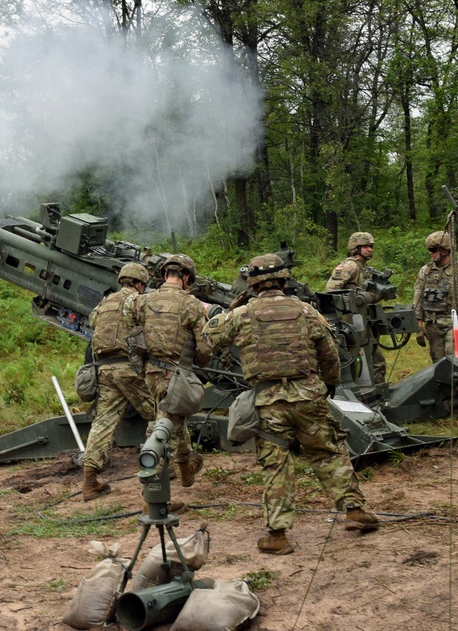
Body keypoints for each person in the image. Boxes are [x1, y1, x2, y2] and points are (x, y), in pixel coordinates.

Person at [203, 253, 378, 555]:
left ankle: (278, 534)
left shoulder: (242, 314)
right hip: (308, 395)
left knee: (276, 465)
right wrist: (330, 383)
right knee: (328, 452)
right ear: (285, 281)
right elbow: (329, 352)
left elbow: (209, 339)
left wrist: (233, 307)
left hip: (269, 401)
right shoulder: (306, 311)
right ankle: (354, 510)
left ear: (252, 284)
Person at [134, 253, 212, 488]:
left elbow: (136, 331)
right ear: (186, 277)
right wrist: (200, 362)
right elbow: (205, 348)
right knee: (162, 429)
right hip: (175, 374)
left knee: (174, 419)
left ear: (165, 274)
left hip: (150, 372)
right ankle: (152, 491)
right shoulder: (191, 304)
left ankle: (186, 468)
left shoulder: (145, 300)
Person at [82, 262, 157, 501]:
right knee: (159, 414)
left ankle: (90, 481)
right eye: (143, 285)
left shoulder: (104, 303)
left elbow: (93, 322)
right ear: (138, 283)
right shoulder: (135, 301)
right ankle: (158, 471)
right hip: (129, 368)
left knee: (103, 423)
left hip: (104, 370)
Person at [326, 231, 386, 385]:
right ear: (355, 248)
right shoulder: (349, 266)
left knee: (377, 360)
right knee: (361, 359)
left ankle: (377, 391)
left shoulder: (364, 268)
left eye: (371, 246)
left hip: (364, 321)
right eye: (365, 246)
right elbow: (331, 290)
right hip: (351, 322)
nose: (370, 249)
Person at [413, 231, 458, 363]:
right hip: (433, 325)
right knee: (438, 364)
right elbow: (418, 298)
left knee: (456, 362)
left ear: (445, 250)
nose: (431, 253)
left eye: (433, 249)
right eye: (429, 250)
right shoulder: (425, 271)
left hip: (453, 325)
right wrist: (418, 325)